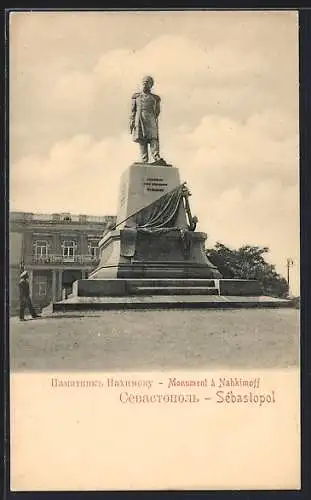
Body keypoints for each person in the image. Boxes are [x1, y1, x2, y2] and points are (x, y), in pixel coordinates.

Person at [129, 76, 167, 165]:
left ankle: (156, 157)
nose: (145, 84)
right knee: (142, 140)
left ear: (151, 85)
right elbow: (133, 110)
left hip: (150, 119)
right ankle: (144, 159)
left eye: (148, 82)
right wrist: (132, 120)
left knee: (153, 138)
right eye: (144, 82)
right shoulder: (136, 97)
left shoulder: (155, 98)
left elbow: (157, 111)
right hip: (140, 119)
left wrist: (152, 118)